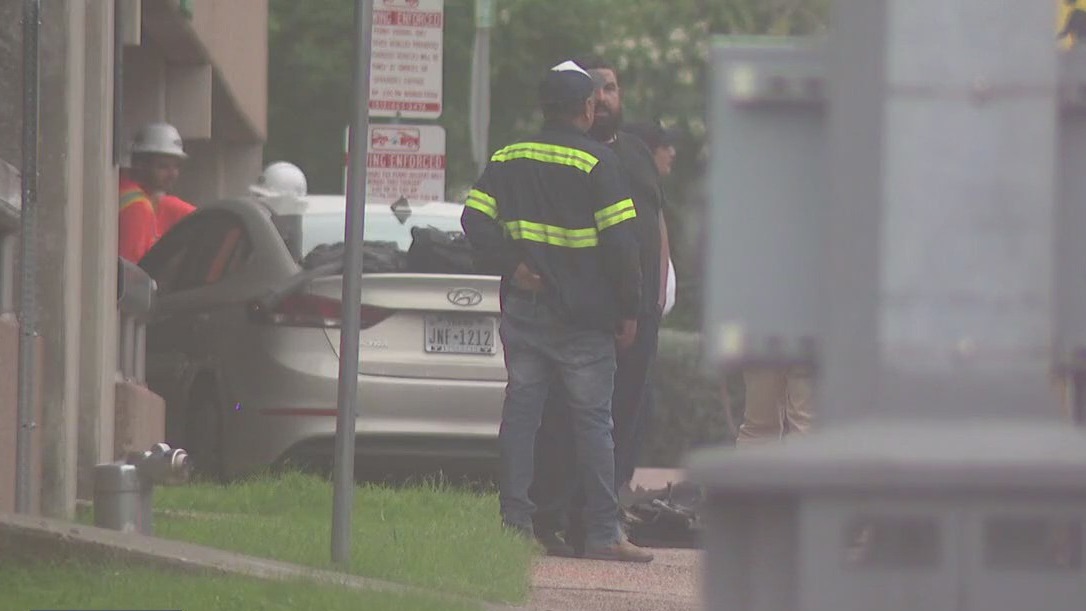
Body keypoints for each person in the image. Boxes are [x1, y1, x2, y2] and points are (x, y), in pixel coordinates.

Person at [461, 59, 651, 563]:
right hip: (585, 321)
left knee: (522, 418)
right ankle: (604, 533)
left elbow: (472, 219)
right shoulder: (598, 164)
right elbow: (622, 246)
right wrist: (630, 308)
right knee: (594, 424)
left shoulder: (509, 156)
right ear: (587, 108)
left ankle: (516, 525)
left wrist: (513, 265)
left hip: (525, 311)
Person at [530, 56, 671, 555]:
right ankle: (563, 521)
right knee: (572, 422)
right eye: (596, 91)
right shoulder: (568, 155)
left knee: (628, 419)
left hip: (640, 316)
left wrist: (661, 290)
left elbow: (654, 221)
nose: (605, 98)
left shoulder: (634, 153)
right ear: (582, 103)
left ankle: (606, 522)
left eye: (612, 87)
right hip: (587, 318)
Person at [118, 122, 195, 262]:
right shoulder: (137, 206)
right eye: (163, 166)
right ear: (140, 164)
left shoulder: (122, 188)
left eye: (176, 166)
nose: (173, 174)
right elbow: (133, 272)